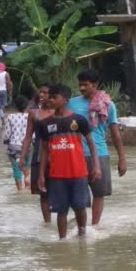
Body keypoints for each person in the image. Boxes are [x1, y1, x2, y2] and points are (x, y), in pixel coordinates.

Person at [37, 84, 101, 239]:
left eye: (54, 97)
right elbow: (44, 150)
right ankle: (62, 240)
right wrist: (41, 175)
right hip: (57, 175)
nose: (50, 100)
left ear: (65, 100)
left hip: (79, 173)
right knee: (61, 210)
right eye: (50, 97)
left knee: (80, 207)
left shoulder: (78, 120)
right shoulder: (44, 124)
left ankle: (82, 234)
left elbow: (91, 143)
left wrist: (97, 166)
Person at [68, 69, 127, 226]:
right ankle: (81, 222)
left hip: (100, 154)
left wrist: (122, 159)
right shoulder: (71, 103)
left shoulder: (108, 105)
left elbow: (115, 135)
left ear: (95, 85)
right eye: (80, 85)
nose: (81, 88)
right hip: (75, 154)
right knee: (76, 192)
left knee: (99, 193)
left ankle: (94, 226)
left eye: (85, 85)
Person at [20, 84, 54, 222]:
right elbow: (28, 136)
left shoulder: (59, 112)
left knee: (61, 188)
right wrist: (23, 157)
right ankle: (47, 222)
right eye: (40, 92)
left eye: (45, 93)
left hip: (58, 153)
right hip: (39, 154)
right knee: (43, 192)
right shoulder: (34, 113)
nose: (41, 95)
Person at [2, 96, 31, 192]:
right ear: (27, 105)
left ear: (15, 106)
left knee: (16, 168)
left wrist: (6, 141)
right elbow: (33, 133)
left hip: (14, 145)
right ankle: (28, 187)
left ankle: (20, 190)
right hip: (28, 145)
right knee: (27, 166)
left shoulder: (10, 117)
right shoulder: (31, 116)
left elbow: (7, 134)